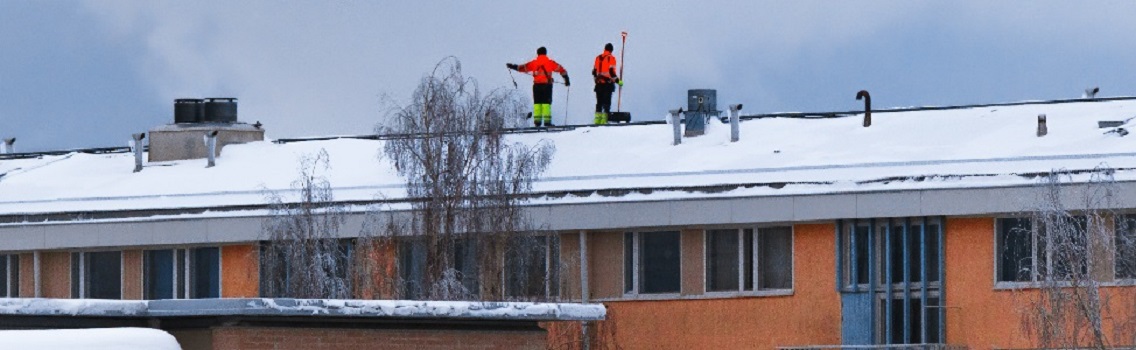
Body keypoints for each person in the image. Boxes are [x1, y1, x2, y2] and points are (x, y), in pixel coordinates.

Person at [507, 47, 570, 127]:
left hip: (536, 86)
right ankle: (547, 122)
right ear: (545, 53)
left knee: (537, 103)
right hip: (547, 86)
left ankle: (537, 122)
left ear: (538, 53)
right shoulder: (550, 62)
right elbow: (561, 70)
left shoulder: (534, 63)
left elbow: (522, 68)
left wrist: (512, 66)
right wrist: (566, 79)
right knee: (546, 104)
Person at [591, 43, 622, 125]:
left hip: (598, 84)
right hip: (607, 84)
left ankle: (597, 121)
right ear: (611, 50)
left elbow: (594, 71)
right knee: (606, 103)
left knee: (599, 103)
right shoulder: (611, 58)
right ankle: (604, 121)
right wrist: (618, 81)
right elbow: (612, 72)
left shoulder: (598, 58)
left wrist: (596, 79)